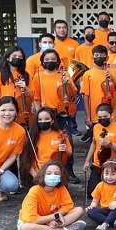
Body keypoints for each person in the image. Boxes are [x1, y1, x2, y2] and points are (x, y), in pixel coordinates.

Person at [29, 49, 80, 183]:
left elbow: (74, 95)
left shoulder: (64, 74)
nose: (50, 62)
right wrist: (39, 114)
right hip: (47, 113)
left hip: (63, 112)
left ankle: (69, 171)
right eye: (47, 60)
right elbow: (36, 97)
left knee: (67, 141)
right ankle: (42, 168)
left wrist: (68, 83)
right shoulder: (37, 76)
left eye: (53, 60)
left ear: (57, 61)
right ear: (42, 62)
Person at [17, 160, 87, 230]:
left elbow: (68, 205)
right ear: (43, 175)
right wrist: (55, 216)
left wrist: (56, 219)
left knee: (79, 210)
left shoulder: (61, 188)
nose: (52, 176)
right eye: (49, 173)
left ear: (61, 176)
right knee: (25, 228)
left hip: (53, 220)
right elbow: (32, 220)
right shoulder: (34, 191)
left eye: (56, 173)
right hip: (34, 222)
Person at [79, 45, 116, 141]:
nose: (99, 57)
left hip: (112, 112)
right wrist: (87, 116)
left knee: (113, 138)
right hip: (95, 113)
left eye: (102, 55)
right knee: (97, 140)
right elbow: (86, 96)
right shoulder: (88, 74)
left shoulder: (114, 71)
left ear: (107, 57)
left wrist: (113, 79)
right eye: (96, 55)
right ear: (93, 57)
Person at [82, 103, 116, 196]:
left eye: (105, 116)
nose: (102, 119)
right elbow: (93, 143)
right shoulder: (96, 127)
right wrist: (87, 161)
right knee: (92, 193)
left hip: (113, 163)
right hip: (98, 164)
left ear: (112, 115)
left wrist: (109, 144)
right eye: (100, 117)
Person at [20, 107, 72, 180]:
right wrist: (36, 176)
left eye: (47, 119)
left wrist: (65, 149)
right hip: (38, 172)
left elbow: (69, 153)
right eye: (40, 119)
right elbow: (26, 160)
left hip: (56, 173)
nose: (43, 121)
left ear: (52, 121)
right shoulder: (32, 136)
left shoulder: (60, 134)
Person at [0, 97, 25, 202]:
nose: (7, 113)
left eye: (11, 110)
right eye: (3, 110)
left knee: (13, 185)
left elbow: (13, 156)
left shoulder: (20, 131)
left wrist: (0, 172)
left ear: (16, 112)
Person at [85, 159, 116, 230]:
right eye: (106, 174)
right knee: (90, 212)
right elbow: (95, 201)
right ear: (102, 173)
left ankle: (105, 225)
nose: (109, 177)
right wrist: (91, 206)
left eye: (112, 174)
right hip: (106, 210)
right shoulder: (100, 185)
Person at [0, 46, 31, 117]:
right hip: (5, 111)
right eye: (14, 56)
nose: (17, 58)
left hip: (21, 112)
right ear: (7, 58)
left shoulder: (26, 75)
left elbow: (33, 97)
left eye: (20, 56)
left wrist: (25, 88)